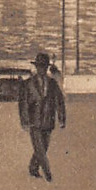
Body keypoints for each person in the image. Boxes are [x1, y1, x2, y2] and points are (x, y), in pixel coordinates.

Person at [18, 51, 66, 182]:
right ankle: (48, 174)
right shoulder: (28, 84)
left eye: (44, 67)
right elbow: (23, 104)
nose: (41, 69)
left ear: (47, 68)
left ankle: (33, 167)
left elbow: (59, 101)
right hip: (34, 122)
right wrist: (24, 121)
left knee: (43, 147)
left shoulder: (52, 83)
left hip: (48, 121)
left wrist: (61, 119)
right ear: (36, 67)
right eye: (39, 66)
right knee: (39, 148)